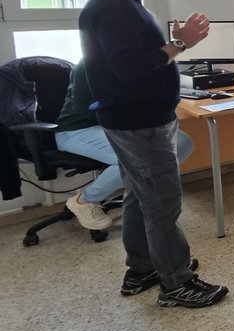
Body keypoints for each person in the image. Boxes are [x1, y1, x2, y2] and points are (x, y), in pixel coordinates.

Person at [78, 0, 226, 308]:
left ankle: (142, 268)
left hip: (135, 118)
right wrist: (181, 43)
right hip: (139, 122)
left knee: (138, 197)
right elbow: (131, 68)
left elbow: (134, 60)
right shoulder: (113, 6)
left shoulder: (121, 2)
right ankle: (176, 283)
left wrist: (174, 44)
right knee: (161, 202)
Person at [57, 59, 195, 231]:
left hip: (121, 124)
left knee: (182, 143)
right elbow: (83, 108)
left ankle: (147, 191)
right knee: (131, 159)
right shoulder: (89, 65)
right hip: (78, 129)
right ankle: (84, 200)